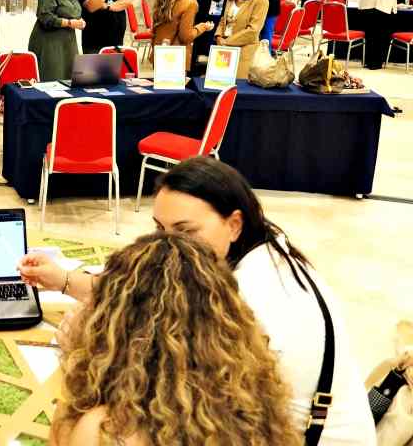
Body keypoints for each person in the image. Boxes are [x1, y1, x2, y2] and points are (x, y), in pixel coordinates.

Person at [19, 157, 376, 444]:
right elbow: (145, 289)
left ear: (234, 224)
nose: (168, 245)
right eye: (160, 228)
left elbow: (162, 379)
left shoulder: (252, 299)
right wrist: (65, 280)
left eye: (185, 231)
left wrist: (84, 352)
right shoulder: (263, 250)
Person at [50, 232, 301, 446]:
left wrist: (77, 361)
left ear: (113, 325)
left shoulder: (108, 429)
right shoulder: (250, 407)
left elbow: (65, 436)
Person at [28, 0, 85, 81]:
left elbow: (72, 14)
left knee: (69, 81)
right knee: (52, 81)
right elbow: (45, 17)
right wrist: (70, 23)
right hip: (50, 44)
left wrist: (79, 21)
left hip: (68, 43)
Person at [150, 0, 214, 72]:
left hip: (158, 55)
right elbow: (185, 37)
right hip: (175, 59)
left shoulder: (160, 3)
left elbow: (155, 32)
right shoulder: (189, 4)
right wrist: (202, 27)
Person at [214, 0, 269, 78]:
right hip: (224, 51)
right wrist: (218, 36)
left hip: (244, 54)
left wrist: (226, 42)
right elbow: (224, 20)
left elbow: (252, 31)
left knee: (238, 87)